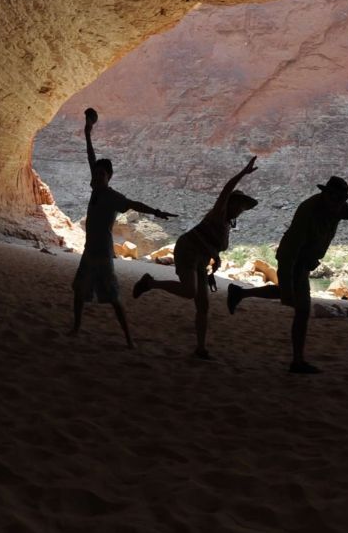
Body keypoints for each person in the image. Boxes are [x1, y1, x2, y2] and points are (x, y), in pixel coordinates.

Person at [226, 176, 348, 374]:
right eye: (336, 198)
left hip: (304, 260)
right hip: (294, 260)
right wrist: (286, 279)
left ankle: (240, 293)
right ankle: (297, 361)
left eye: (342, 199)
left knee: (290, 294)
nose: (339, 203)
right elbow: (291, 250)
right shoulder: (308, 211)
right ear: (325, 194)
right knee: (302, 309)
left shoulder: (338, 206)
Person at [132, 156, 259, 360]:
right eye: (240, 205)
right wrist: (243, 173)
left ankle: (201, 348)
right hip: (187, 249)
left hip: (200, 257)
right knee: (190, 291)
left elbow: (212, 244)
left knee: (203, 305)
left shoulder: (227, 224)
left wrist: (215, 258)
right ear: (232, 203)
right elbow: (226, 190)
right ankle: (150, 283)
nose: (241, 209)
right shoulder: (219, 211)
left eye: (244, 207)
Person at [68, 107, 175, 347]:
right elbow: (91, 158)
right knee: (79, 291)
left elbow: (135, 204)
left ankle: (128, 339)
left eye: (102, 174)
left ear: (109, 177)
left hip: (104, 254)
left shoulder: (112, 196)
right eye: (95, 174)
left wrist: (157, 212)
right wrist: (87, 133)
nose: (96, 176)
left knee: (114, 298)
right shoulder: (96, 189)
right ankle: (76, 328)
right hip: (89, 252)